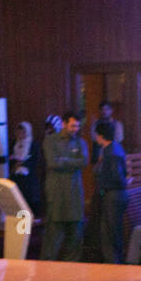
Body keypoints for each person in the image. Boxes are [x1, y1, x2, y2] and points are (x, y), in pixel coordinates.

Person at [42, 112, 88, 261]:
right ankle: (46, 273)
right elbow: (52, 162)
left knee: (75, 240)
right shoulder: (50, 141)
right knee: (52, 240)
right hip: (57, 196)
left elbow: (84, 162)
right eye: (73, 125)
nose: (75, 129)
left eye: (77, 126)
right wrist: (72, 162)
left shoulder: (81, 142)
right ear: (63, 124)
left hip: (75, 196)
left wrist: (63, 160)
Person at [90, 120, 128, 264]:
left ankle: (113, 265)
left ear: (100, 136)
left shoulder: (110, 152)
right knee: (111, 232)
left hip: (112, 196)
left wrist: (101, 190)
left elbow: (115, 177)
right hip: (116, 195)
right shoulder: (115, 148)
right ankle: (112, 263)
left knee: (110, 233)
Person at [9, 121, 40, 212]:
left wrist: (23, 163)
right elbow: (10, 157)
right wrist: (14, 162)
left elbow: (35, 160)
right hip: (16, 176)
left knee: (28, 201)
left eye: (23, 132)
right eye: (18, 132)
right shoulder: (14, 143)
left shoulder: (33, 144)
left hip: (29, 178)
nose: (20, 134)